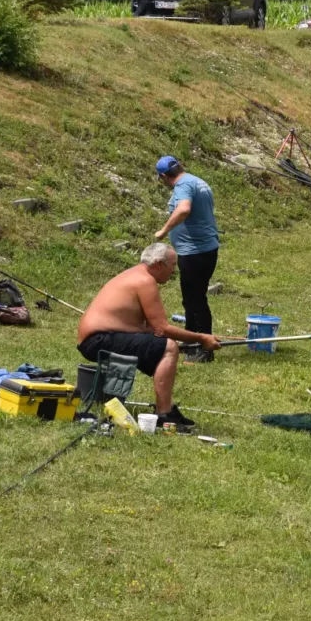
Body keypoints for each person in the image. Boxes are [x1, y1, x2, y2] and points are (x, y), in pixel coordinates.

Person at [77, 243, 220, 428]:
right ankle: (164, 414)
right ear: (159, 264)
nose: (173, 271)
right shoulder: (145, 281)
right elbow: (162, 328)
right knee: (169, 348)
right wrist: (202, 338)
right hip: (97, 339)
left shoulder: (135, 274)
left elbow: (150, 329)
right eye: (172, 265)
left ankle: (165, 409)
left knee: (164, 346)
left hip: (97, 338)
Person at [153, 156, 219, 358]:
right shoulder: (197, 181)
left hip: (195, 252)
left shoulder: (183, 186)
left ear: (163, 176)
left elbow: (183, 209)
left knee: (194, 300)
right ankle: (192, 342)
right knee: (193, 299)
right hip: (205, 249)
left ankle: (202, 349)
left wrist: (163, 231)